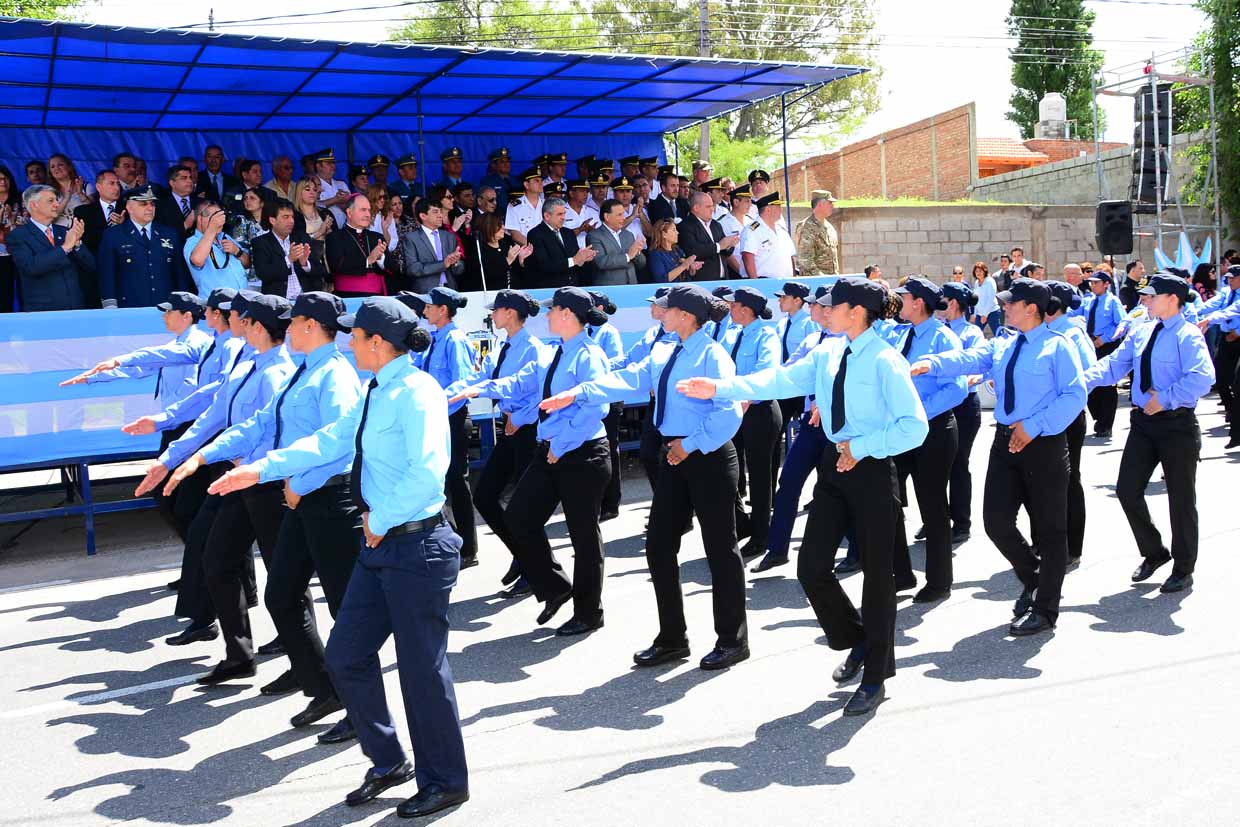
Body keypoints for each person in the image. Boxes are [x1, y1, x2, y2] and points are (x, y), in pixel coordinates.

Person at [210, 297, 470, 818]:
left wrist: (378, 520)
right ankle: (388, 760)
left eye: (355, 336)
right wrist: (260, 469)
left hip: (416, 544)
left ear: (377, 343)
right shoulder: (377, 388)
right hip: (386, 544)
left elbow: (428, 473)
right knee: (347, 656)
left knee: (422, 673)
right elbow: (330, 440)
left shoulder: (417, 392)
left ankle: (445, 779)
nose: (348, 342)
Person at [680, 277, 928, 715]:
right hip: (836, 467)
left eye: (833, 305)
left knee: (876, 577)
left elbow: (915, 426)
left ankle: (875, 677)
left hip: (870, 468)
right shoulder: (830, 351)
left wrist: (864, 447)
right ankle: (860, 642)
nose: (824, 310)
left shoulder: (886, 360)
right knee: (811, 567)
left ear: (856, 312)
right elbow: (781, 379)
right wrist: (722, 388)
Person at [182, 292, 365, 739]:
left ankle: (360, 708)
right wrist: (202, 456)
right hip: (301, 497)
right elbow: (260, 423)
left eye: (295, 320)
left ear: (308, 326)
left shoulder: (335, 376)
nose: (289, 328)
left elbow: (337, 443)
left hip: (329, 499)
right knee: (282, 595)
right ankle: (324, 686)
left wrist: (272, 471)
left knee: (345, 609)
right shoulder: (303, 370)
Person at [544, 283, 755, 668]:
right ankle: (673, 638)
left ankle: (732, 640)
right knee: (659, 546)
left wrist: (690, 444)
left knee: (720, 550)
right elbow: (628, 379)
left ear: (686, 317)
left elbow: (729, 413)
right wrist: (577, 394)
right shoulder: (666, 349)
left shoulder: (713, 355)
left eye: (668, 308)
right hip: (675, 455)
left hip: (706, 456)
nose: (661, 312)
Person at [910, 278, 1086, 637]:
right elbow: (972, 357)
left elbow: (1074, 396)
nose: (1003, 306)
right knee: (996, 522)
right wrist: (931, 363)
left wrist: (1034, 426)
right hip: (1006, 442)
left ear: (1031, 308)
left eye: (1010, 302)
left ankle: (1046, 609)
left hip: (1043, 445)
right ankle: (1034, 578)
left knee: (1051, 531)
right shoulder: (1006, 344)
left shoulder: (1058, 346)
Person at [143, 293, 297, 685]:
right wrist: (174, 456)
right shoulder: (248, 362)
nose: (234, 320)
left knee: (286, 574)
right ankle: (239, 654)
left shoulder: (276, 371)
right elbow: (214, 415)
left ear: (256, 325)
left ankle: (305, 662)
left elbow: (274, 429)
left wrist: (248, 462)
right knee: (215, 557)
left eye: (240, 316)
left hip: (266, 481)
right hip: (238, 479)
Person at [449, 287, 611, 636]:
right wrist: (481, 389)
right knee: (521, 517)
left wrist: (562, 442)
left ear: (568, 315)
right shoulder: (556, 351)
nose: (548, 315)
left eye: (554, 310)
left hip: (582, 452)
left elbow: (597, 407)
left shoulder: (588, 355)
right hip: (551, 448)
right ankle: (555, 586)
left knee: (584, 536)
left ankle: (588, 612)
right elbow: (522, 382)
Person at [1083, 273, 1215, 592]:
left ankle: (1184, 567)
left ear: (1172, 299)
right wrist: (1078, 383)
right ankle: (1155, 552)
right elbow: (1114, 365)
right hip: (1143, 424)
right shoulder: (1142, 331)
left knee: (1181, 500)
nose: (1145, 300)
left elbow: (1203, 377)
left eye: (1151, 296)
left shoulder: (1187, 335)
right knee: (1127, 490)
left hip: (1177, 425)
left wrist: (1166, 397)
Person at [61, 290, 214, 537]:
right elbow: (141, 368)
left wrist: (120, 360)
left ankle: (201, 563)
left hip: (192, 429)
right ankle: (198, 565)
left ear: (187, 316)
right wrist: (93, 377)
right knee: (170, 500)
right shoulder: (176, 344)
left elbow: (155, 358)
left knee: (181, 502)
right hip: (174, 429)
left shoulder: (196, 343)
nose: (164, 316)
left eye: (169, 311)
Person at [442, 289, 545, 596]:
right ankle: (523, 554)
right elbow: (481, 375)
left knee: (526, 507)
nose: (492, 315)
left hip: (526, 430)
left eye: (496, 311)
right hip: (510, 429)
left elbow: (537, 390)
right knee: (485, 496)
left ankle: (534, 567)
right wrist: (450, 392)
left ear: (510, 313)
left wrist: (522, 417)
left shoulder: (533, 348)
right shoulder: (504, 344)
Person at [750, 285, 838, 574]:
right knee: (788, 481)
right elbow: (788, 371)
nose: (811, 308)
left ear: (828, 310)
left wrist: (824, 403)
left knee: (838, 490)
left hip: (837, 426)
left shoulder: (847, 341)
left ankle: (855, 550)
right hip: (810, 425)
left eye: (815, 304)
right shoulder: (813, 339)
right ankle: (777, 549)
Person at [890, 277, 966, 602]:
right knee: (887, 497)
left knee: (933, 507)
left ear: (918, 302)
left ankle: (939, 581)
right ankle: (902, 573)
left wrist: (920, 412)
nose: (899, 302)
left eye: (903, 297)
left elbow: (958, 388)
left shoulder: (943, 338)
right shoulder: (902, 335)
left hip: (934, 430)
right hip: (904, 430)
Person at [417, 287, 479, 569]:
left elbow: (464, 382)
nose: (425, 310)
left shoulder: (455, 340)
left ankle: (467, 548)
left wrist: (434, 400)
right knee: (440, 480)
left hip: (452, 419)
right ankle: (452, 541)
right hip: (438, 418)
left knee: (456, 481)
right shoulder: (434, 339)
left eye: (430, 306)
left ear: (443, 310)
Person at [725, 286, 783, 558]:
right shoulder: (736, 334)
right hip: (737, 411)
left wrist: (746, 397)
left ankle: (761, 536)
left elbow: (766, 370)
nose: (730, 309)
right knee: (731, 473)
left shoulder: (766, 336)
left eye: (734, 305)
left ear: (746, 310)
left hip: (759, 412)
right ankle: (743, 525)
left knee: (760, 478)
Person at [1044, 280, 1096, 565]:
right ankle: (1047, 541)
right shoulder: (1044, 330)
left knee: (1068, 480)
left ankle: (1071, 547)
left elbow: (1088, 372)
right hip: (1044, 416)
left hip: (1068, 416)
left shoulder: (1072, 332)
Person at [939, 282, 985, 545]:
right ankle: (937, 518)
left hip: (964, 406)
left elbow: (977, 363)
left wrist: (968, 379)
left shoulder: (971, 332)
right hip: (942, 404)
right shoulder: (940, 331)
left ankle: (961, 522)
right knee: (937, 465)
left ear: (954, 303)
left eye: (945, 299)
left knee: (958, 464)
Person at [7, 184, 92, 311]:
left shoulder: (65, 232)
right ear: (34, 205)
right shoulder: (18, 236)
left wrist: (78, 244)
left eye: (56, 200)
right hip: (43, 311)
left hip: (75, 308)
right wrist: (65, 247)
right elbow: (31, 267)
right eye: (50, 201)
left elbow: (91, 266)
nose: (57, 204)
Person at [1196, 264, 1240, 448]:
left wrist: (1237, 332)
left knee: (1237, 385)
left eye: (1233, 277)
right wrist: (1197, 313)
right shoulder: (1226, 292)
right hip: (1226, 337)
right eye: (1228, 278)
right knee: (1221, 377)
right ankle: (1232, 414)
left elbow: (1234, 311)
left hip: (1237, 337)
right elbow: (1216, 306)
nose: (1229, 280)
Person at [1081, 271, 1126, 438]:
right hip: (1091, 345)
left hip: (1106, 345)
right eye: (1091, 283)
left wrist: (1105, 338)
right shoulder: (1089, 301)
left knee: (1107, 385)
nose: (1093, 286)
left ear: (1106, 284)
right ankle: (1099, 417)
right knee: (1091, 381)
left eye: (1096, 283)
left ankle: (1106, 424)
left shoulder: (1113, 301)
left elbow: (1122, 324)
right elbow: (1075, 312)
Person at [253, 198, 326, 298]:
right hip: (278, 302)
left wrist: (305, 264)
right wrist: (289, 259)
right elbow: (264, 274)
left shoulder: (302, 238)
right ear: (272, 220)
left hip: (306, 299)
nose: (291, 221)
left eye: (292, 217)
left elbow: (320, 270)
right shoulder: (261, 242)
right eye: (285, 217)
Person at [523, 198, 595, 289]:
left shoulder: (569, 233)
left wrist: (584, 258)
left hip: (574, 287)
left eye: (564, 213)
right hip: (550, 289)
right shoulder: (535, 234)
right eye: (559, 214)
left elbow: (576, 259)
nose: (563, 217)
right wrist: (574, 260)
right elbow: (544, 265)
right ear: (547, 216)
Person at [773, 281, 817, 425]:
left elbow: (813, 353)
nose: (780, 300)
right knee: (777, 426)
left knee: (809, 425)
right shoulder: (782, 323)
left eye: (784, 297)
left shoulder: (809, 323)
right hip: (784, 383)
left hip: (802, 385)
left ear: (797, 300)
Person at [184, 201, 250, 297]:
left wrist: (237, 251)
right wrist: (212, 228)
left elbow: (247, 264)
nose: (220, 221)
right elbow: (197, 261)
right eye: (215, 217)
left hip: (241, 299)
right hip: (217, 306)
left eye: (221, 216)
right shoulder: (193, 242)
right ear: (200, 219)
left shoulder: (225, 236)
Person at [325, 194, 386, 297]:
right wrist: (368, 260)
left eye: (369, 210)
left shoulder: (377, 237)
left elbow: (393, 267)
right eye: (363, 210)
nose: (368, 214)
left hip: (377, 297)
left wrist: (380, 259)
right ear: (349, 212)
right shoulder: (335, 237)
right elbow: (337, 266)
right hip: (348, 296)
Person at [401, 197, 464, 293]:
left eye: (441, 211)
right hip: (426, 293)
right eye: (435, 212)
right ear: (423, 216)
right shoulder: (411, 238)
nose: (440, 215)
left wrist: (455, 262)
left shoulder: (449, 236)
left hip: (450, 289)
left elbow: (459, 270)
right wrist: (443, 264)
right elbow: (413, 269)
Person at [677, 191, 737, 281]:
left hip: (723, 279)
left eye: (712, 206)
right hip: (702, 281)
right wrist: (719, 246)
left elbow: (725, 252)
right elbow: (693, 251)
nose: (712, 209)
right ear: (696, 208)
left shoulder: (715, 224)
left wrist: (729, 245)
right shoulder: (685, 226)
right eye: (708, 206)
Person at [587, 199, 646, 286]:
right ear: (607, 217)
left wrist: (638, 251)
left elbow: (641, 264)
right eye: (619, 215)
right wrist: (628, 256)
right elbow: (601, 262)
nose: (623, 218)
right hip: (609, 289)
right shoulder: (594, 236)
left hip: (631, 287)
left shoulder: (628, 235)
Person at [741, 192, 796, 280]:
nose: (781, 210)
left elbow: (791, 256)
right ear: (768, 210)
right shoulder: (752, 230)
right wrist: (755, 282)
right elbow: (748, 256)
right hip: (764, 281)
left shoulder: (781, 230)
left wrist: (794, 278)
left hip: (786, 282)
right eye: (778, 207)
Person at [470, 212, 531, 291]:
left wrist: (521, 261)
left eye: (502, 224)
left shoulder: (506, 243)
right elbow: (486, 275)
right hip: (492, 294)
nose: (503, 227)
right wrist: (508, 260)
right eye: (499, 225)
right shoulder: (478, 248)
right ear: (489, 227)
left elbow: (518, 273)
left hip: (514, 292)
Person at [73, 169, 125, 255]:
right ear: (98, 187)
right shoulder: (82, 212)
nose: (117, 188)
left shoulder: (128, 209)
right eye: (111, 183)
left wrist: (122, 226)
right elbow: (82, 241)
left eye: (118, 184)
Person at [795, 190, 840, 276]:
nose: (832, 206)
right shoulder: (806, 227)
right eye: (829, 203)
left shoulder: (829, 227)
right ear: (820, 204)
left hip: (832, 281)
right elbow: (805, 260)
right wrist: (822, 278)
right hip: (816, 282)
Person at [156, 165, 201, 242]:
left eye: (190, 177)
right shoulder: (160, 206)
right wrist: (185, 225)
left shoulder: (201, 203)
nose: (190, 181)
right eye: (184, 178)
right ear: (172, 183)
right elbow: (160, 233)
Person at [647, 219, 700, 283]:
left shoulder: (677, 250)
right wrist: (683, 266)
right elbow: (661, 279)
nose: (677, 233)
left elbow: (687, 274)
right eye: (674, 230)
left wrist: (692, 268)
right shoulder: (656, 254)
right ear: (664, 234)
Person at [502, 168, 544, 246]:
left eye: (541, 180)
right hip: (526, 252)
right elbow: (515, 234)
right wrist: (534, 247)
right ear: (526, 185)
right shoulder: (515, 206)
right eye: (536, 181)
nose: (541, 183)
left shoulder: (547, 204)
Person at [312, 148, 351, 229]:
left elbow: (351, 208)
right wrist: (335, 200)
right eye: (329, 163)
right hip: (324, 230)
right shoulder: (312, 184)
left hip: (345, 230)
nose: (333, 166)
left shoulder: (342, 184)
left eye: (333, 163)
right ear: (318, 166)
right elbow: (312, 205)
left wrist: (344, 203)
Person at [47, 153, 88, 226]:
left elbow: (94, 212)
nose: (56, 168)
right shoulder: (48, 192)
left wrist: (80, 193)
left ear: (69, 166)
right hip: (60, 234)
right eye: (52, 167)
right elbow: (49, 218)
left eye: (60, 165)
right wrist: (66, 198)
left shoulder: (86, 186)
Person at [479, 147, 516, 218]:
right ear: (494, 165)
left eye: (507, 161)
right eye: (502, 162)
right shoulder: (487, 181)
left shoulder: (516, 180)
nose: (506, 164)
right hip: (497, 217)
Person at [972, 261, 1000, 333]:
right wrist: (975, 315)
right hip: (979, 314)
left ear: (984, 271)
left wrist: (985, 314)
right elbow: (976, 299)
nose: (978, 273)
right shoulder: (976, 283)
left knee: (998, 333)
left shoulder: (990, 281)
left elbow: (990, 299)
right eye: (976, 271)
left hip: (992, 312)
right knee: (976, 334)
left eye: (980, 271)